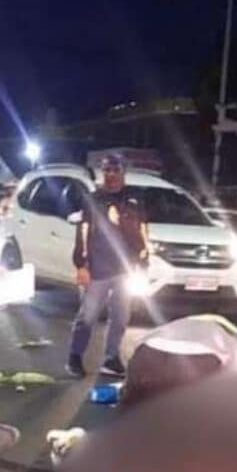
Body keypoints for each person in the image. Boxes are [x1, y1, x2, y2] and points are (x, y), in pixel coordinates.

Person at [66, 152, 148, 378]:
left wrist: (143, 260)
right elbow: (82, 233)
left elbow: (142, 230)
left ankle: (111, 359)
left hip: (125, 269)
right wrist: (81, 265)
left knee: (121, 318)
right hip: (98, 269)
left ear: (123, 173)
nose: (111, 175)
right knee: (88, 316)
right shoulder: (93, 199)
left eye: (116, 170)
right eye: (107, 170)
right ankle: (75, 356)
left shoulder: (134, 199)